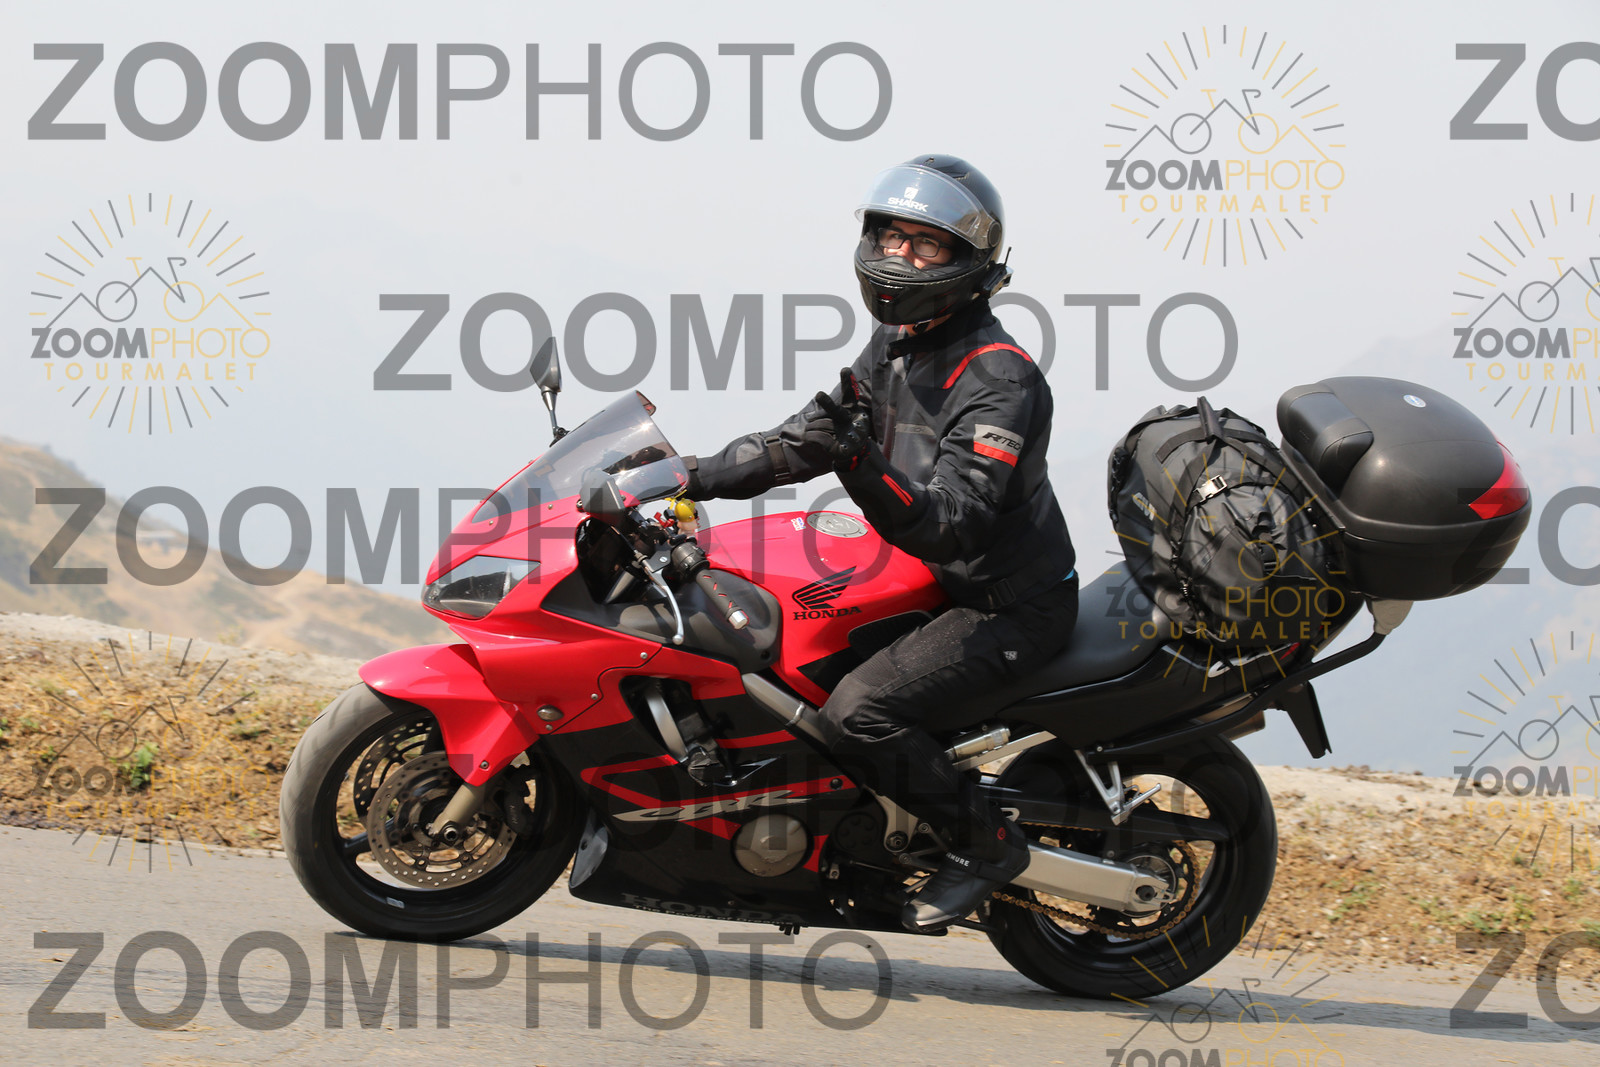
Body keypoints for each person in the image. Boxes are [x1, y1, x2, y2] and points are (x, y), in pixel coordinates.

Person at [684, 155, 1078, 932]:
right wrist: (683, 474)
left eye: (925, 244)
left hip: (1007, 605)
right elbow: (803, 439)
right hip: (932, 582)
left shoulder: (999, 378)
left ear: (969, 262)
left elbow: (955, 522)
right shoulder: (899, 340)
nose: (901, 257)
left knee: (858, 712)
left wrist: (859, 463)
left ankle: (986, 845)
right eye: (893, 237)